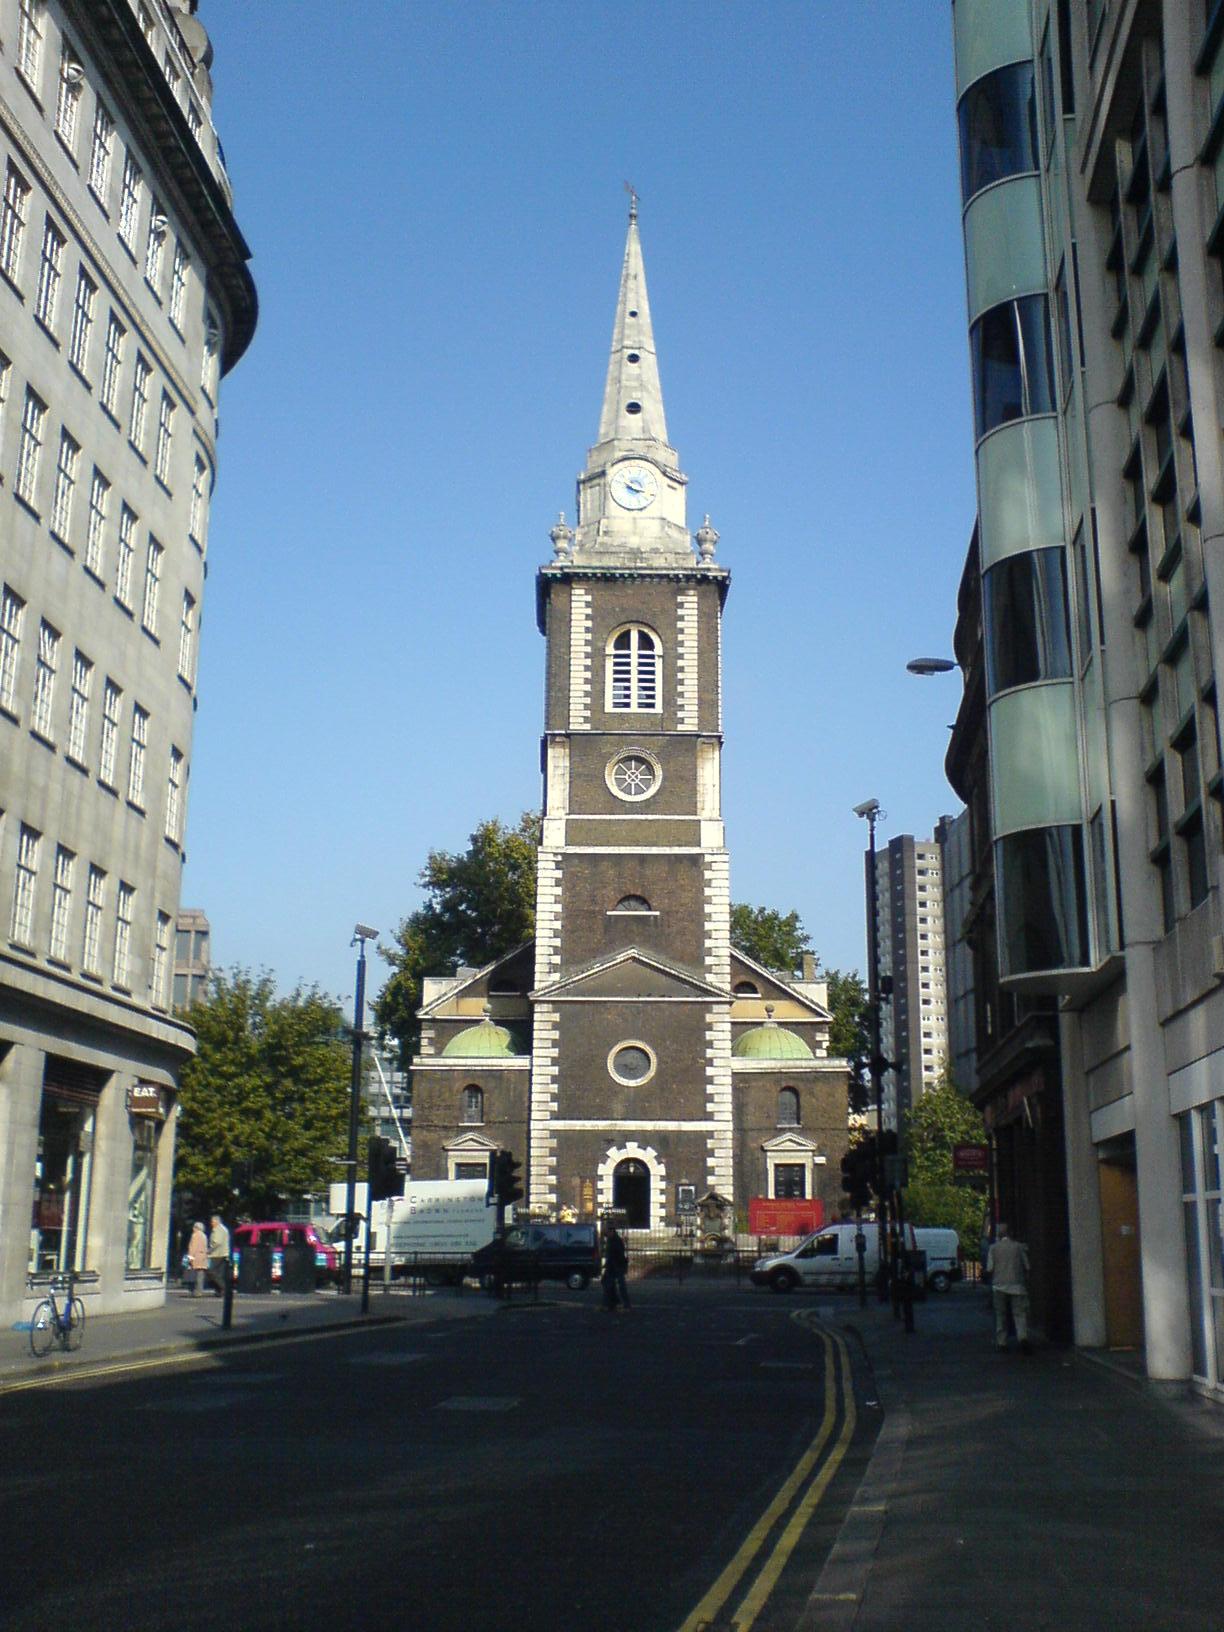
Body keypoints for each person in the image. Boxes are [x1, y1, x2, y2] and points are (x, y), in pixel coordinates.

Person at [987, 1221, 1031, 1353]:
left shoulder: (993, 1248)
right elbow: (1027, 1266)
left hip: (999, 1286)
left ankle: (1002, 1342)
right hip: (1017, 1285)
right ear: (1010, 1233)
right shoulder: (1018, 1247)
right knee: (1019, 1313)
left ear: (999, 1235)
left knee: (1001, 1314)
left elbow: (990, 1268)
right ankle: (1022, 1337)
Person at [601, 1224, 630, 1312]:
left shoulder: (615, 1241)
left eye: (607, 1231)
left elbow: (616, 1254)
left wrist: (609, 1264)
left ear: (611, 1231)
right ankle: (612, 1304)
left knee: (615, 1285)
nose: (606, 1233)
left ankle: (614, 1304)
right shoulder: (614, 1240)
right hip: (615, 1266)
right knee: (612, 1285)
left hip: (616, 1266)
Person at [207, 1213, 231, 1296]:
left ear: (217, 1221)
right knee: (219, 1273)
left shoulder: (218, 1229)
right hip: (223, 1253)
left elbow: (217, 1242)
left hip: (217, 1254)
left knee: (211, 1272)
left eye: (212, 1222)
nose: (211, 1223)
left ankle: (223, 1288)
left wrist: (209, 1250)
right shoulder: (224, 1229)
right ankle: (220, 1291)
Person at [187, 1221, 208, 1297]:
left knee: (194, 1275)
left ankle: (195, 1291)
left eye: (194, 1227)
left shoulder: (195, 1235)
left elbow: (193, 1247)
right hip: (203, 1257)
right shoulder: (204, 1236)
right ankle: (200, 1291)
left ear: (196, 1228)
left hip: (196, 1257)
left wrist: (190, 1258)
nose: (193, 1229)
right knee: (200, 1275)